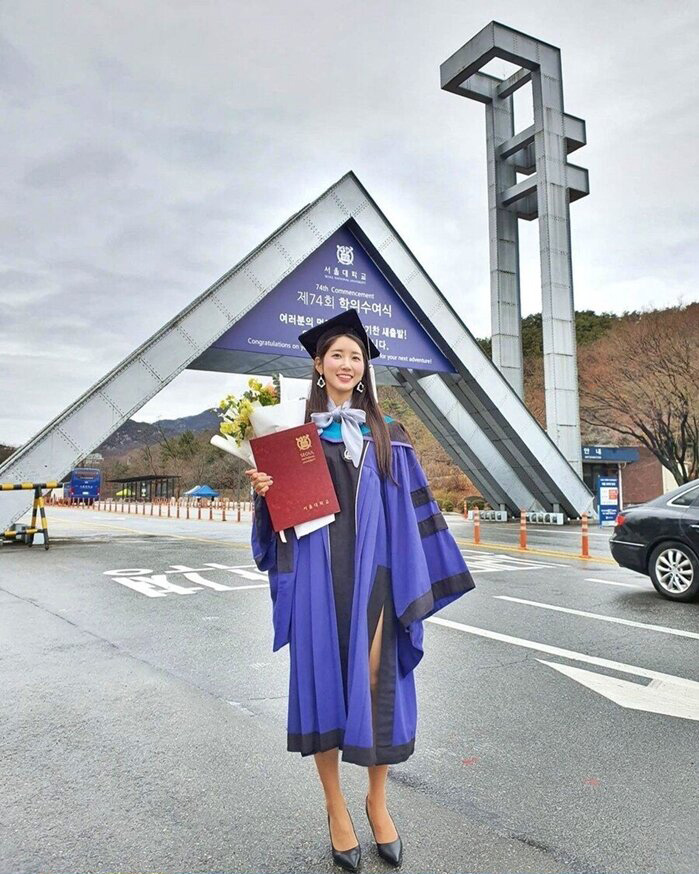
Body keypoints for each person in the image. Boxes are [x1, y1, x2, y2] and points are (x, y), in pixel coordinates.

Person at [245, 308, 475, 872]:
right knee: (324, 683)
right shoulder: (290, 436)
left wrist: (409, 580)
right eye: (336, 355)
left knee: (377, 684)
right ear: (319, 366)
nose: (347, 363)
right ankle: (335, 808)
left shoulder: (388, 432)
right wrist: (263, 490)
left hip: (375, 572)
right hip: (319, 575)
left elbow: (409, 508)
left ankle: (378, 802)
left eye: (356, 355)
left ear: (365, 366)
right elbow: (281, 519)